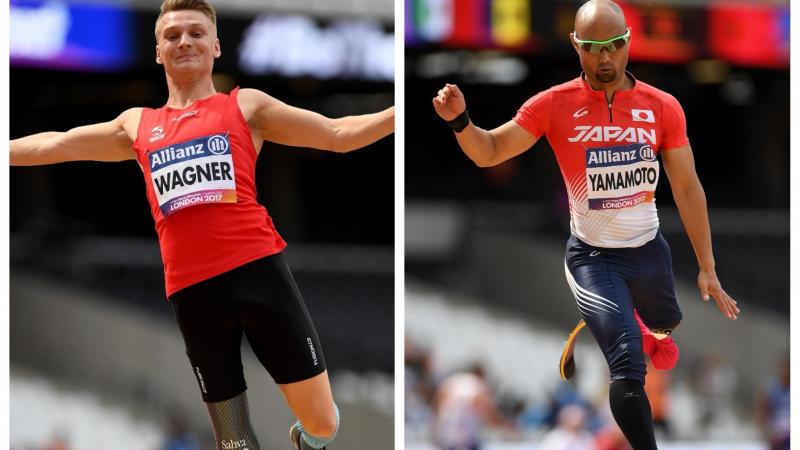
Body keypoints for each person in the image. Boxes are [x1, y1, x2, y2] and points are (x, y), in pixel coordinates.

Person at [10, 1, 394, 449]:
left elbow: (338, 134)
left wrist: (399, 111)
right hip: (193, 295)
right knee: (232, 440)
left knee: (323, 423)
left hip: (259, 274)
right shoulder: (138, 125)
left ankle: (308, 438)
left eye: (195, 32)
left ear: (215, 45)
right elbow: (53, 144)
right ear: (158, 51)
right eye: (172, 35)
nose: (184, 41)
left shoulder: (245, 106)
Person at [431, 1, 738, 448]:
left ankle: (645, 321)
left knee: (665, 328)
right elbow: (490, 151)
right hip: (593, 258)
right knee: (627, 363)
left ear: (629, 41)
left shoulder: (662, 107)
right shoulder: (553, 105)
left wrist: (707, 267)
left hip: (649, 251)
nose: (606, 58)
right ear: (577, 45)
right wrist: (460, 121)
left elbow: (688, 189)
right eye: (594, 48)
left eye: (615, 45)